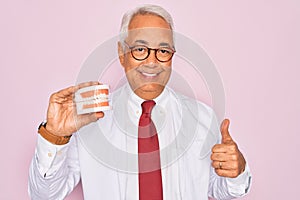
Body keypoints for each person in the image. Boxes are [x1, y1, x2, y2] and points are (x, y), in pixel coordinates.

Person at [28, 4, 251, 200]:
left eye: (163, 50)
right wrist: (55, 137)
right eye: (140, 49)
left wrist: (236, 172)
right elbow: (44, 195)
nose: (152, 62)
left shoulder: (202, 117)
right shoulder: (89, 121)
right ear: (122, 54)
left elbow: (216, 189)